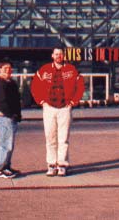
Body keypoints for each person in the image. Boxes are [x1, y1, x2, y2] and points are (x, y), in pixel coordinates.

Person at [31, 48, 84, 177]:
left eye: (60, 54)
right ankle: (51, 164)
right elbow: (34, 86)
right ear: (52, 56)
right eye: (56, 54)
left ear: (63, 56)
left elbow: (80, 86)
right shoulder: (44, 70)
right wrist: (41, 101)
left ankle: (62, 165)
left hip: (65, 108)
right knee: (50, 137)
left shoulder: (71, 70)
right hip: (49, 108)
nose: (58, 56)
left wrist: (73, 102)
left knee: (63, 138)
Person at [0, 61, 22, 179]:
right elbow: (0, 102)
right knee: (5, 144)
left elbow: (16, 101)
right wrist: (11, 114)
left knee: (9, 144)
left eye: (9, 68)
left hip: (10, 117)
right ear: (0, 69)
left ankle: (6, 166)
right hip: (3, 117)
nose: (8, 70)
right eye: (5, 68)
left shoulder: (11, 83)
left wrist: (17, 115)